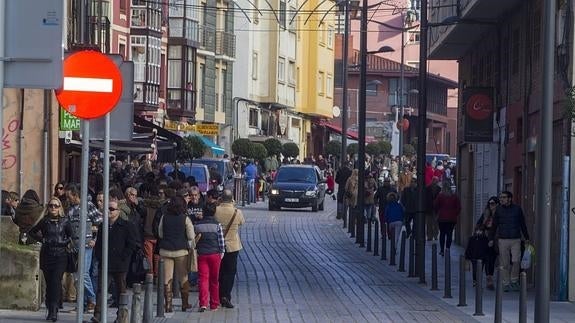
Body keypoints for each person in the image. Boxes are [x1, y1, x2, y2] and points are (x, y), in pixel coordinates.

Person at [91, 199, 139, 323]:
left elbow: (132, 244)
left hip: (120, 264)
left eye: (112, 209)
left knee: (120, 291)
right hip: (105, 262)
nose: (108, 211)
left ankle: (121, 316)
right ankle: (98, 315)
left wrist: (124, 257)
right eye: (107, 208)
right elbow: (99, 243)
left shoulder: (126, 225)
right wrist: (99, 256)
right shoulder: (103, 225)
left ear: (118, 211)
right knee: (101, 290)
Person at [28, 197, 73, 322]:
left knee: (55, 281)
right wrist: (43, 240)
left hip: (61, 256)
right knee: (50, 283)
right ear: (48, 208)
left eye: (56, 206)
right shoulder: (44, 221)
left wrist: (63, 242)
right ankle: (51, 305)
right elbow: (32, 232)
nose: (53, 208)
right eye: (51, 206)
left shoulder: (65, 221)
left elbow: (71, 236)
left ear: (60, 208)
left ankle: (53, 311)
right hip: (47, 255)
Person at [157, 195, 196, 312]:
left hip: (165, 251)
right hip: (181, 251)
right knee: (183, 277)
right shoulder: (185, 218)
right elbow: (191, 236)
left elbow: (160, 233)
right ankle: (185, 303)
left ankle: (168, 305)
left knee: (167, 279)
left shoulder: (164, 217)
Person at [492, 191, 530, 292]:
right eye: (500, 198)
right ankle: (506, 283)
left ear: (510, 198)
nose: (501, 199)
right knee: (504, 263)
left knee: (516, 260)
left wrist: (526, 237)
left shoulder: (517, 209)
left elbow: (522, 224)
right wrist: (491, 239)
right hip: (503, 239)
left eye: (504, 197)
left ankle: (514, 280)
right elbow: (494, 225)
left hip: (515, 239)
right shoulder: (498, 210)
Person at [214, 189, 245, 309]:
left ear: (221, 198)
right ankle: (226, 295)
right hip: (232, 246)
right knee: (230, 272)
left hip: (218, 245)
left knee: (219, 271)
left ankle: (218, 294)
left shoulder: (215, 210)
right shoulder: (237, 211)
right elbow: (242, 222)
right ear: (232, 199)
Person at [194, 202, 225, 312]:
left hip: (202, 254)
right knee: (214, 280)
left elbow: (194, 241)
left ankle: (203, 303)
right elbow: (221, 241)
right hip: (215, 255)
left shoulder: (197, 225)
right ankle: (214, 304)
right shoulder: (217, 225)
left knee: (203, 279)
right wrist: (221, 253)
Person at [474, 196, 499, 289]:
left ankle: (489, 277)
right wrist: (480, 230)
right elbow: (478, 225)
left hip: (495, 240)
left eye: (492, 203)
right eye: (489, 203)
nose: (490, 205)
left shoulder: (499, 215)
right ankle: (488, 279)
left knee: (492, 260)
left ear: (497, 204)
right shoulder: (485, 214)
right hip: (484, 240)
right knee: (486, 259)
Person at [433, 181, 461, 256]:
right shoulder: (454, 196)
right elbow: (459, 207)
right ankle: (447, 248)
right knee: (449, 234)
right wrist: (455, 214)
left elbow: (435, 205)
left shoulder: (440, 196)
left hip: (442, 218)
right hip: (452, 219)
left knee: (442, 234)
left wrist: (437, 213)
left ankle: (442, 250)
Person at [384, 192, 403, 257]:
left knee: (393, 235)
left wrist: (386, 221)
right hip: (399, 221)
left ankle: (393, 247)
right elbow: (403, 212)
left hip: (391, 222)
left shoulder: (388, 206)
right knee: (396, 236)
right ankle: (394, 248)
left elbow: (385, 215)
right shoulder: (399, 205)